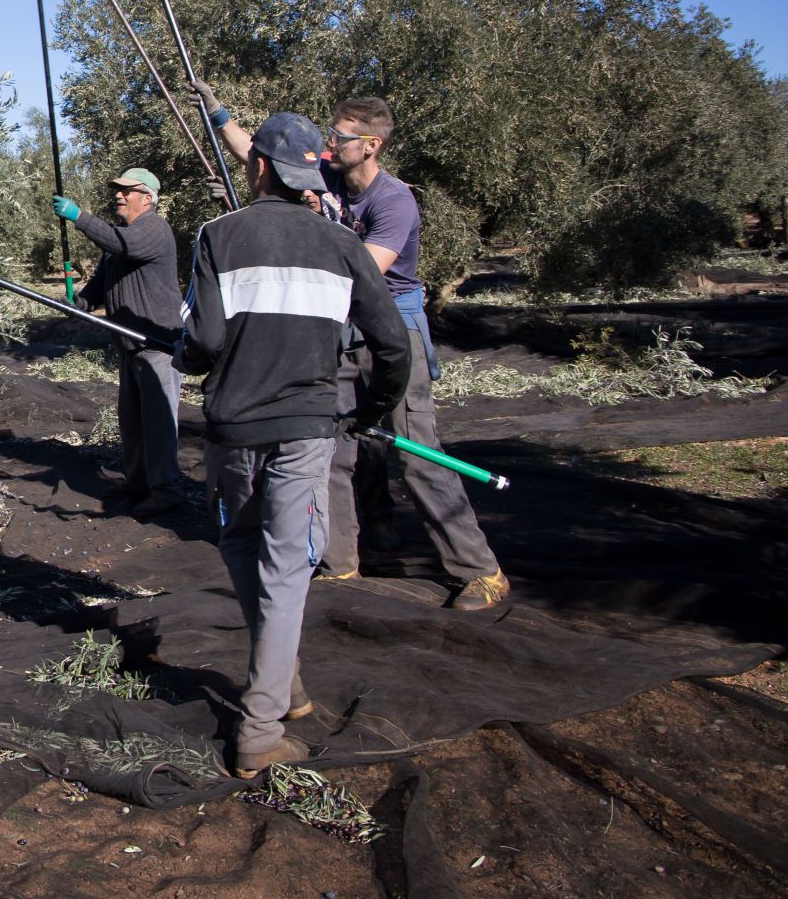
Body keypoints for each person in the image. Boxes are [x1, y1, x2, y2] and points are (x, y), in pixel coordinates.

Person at [192, 82, 508, 611]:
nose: (331, 144)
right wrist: (219, 113)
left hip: (392, 330)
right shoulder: (332, 177)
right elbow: (260, 155)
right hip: (338, 328)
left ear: (371, 145)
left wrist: (299, 222)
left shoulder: (394, 201)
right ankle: (341, 561)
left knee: (417, 453)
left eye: (340, 137)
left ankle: (480, 570)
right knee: (334, 448)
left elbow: (363, 273)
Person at [176, 112, 411, 776]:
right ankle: (262, 726)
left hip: (232, 431)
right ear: (309, 172)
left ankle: (283, 694)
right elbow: (392, 344)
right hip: (306, 430)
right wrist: (369, 411)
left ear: (258, 168)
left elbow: (203, 345)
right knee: (283, 573)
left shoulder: (218, 235)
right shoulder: (341, 245)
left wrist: (181, 351)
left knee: (243, 549)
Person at [52, 169, 185, 516]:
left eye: (127, 191)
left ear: (147, 197)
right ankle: (138, 484)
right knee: (132, 420)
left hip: (158, 345)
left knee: (158, 424)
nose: (119, 196)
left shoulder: (153, 229)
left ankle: (167, 493)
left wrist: (79, 217)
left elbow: (123, 245)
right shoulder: (120, 240)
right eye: (118, 191)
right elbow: (100, 284)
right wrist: (77, 303)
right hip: (130, 345)